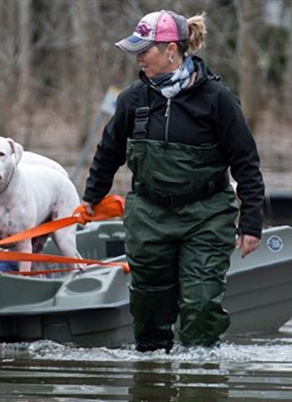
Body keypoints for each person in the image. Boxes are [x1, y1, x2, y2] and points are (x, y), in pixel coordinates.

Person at [82, 10, 264, 352]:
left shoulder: (217, 99)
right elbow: (108, 152)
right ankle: (153, 377)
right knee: (149, 314)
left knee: (200, 306)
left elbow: (246, 162)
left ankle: (202, 377)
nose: (138, 56)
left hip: (207, 215)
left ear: (170, 50)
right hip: (148, 216)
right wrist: (91, 197)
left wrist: (251, 223)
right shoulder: (132, 100)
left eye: (144, 49)